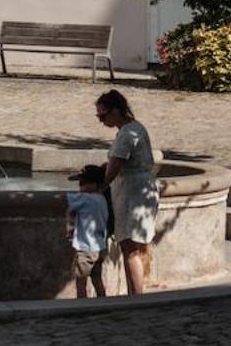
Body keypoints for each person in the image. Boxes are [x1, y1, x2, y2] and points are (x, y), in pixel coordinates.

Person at [94, 89, 161, 295]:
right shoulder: (134, 129)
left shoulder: (128, 134)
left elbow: (115, 167)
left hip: (133, 194)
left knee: (130, 249)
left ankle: (136, 298)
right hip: (139, 190)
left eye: (102, 115)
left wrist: (100, 188)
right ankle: (134, 295)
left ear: (116, 110)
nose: (101, 121)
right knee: (133, 248)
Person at [65, 165, 112, 298]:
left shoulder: (85, 199)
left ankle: (82, 303)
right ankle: (102, 300)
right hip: (100, 247)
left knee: (81, 280)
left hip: (85, 248)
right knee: (97, 278)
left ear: (94, 184)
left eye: (82, 183)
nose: (80, 187)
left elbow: (66, 202)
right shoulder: (102, 199)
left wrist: (69, 229)